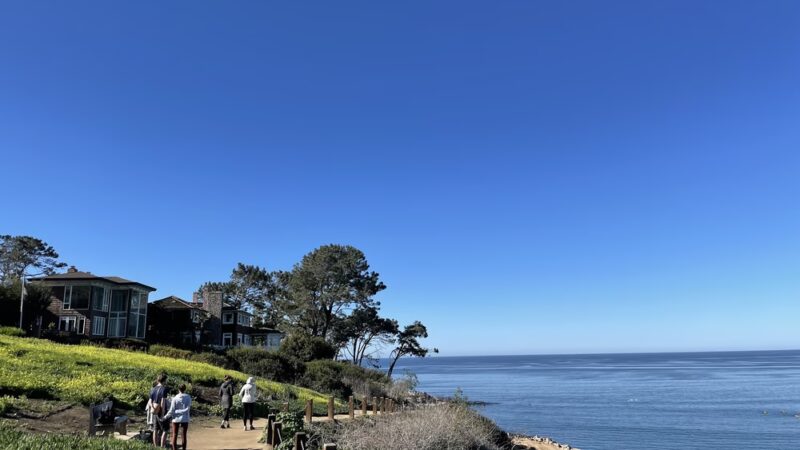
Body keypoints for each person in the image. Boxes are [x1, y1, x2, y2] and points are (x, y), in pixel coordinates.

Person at [164, 383, 191, 450]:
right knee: (184, 435)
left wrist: (165, 417)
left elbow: (172, 410)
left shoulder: (175, 398)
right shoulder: (188, 397)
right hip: (185, 418)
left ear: (178, 389)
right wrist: (183, 411)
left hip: (176, 418)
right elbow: (188, 408)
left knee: (174, 435)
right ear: (185, 389)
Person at [147, 374, 168, 447]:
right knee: (165, 430)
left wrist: (153, 408)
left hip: (154, 412)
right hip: (161, 411)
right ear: (164, 380)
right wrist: (162, 414)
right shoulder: (164, 389)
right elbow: (163, 402)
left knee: (155, 429)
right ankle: (162, 447)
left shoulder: (153, 388)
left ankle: (156, 447)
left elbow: (149, 402)